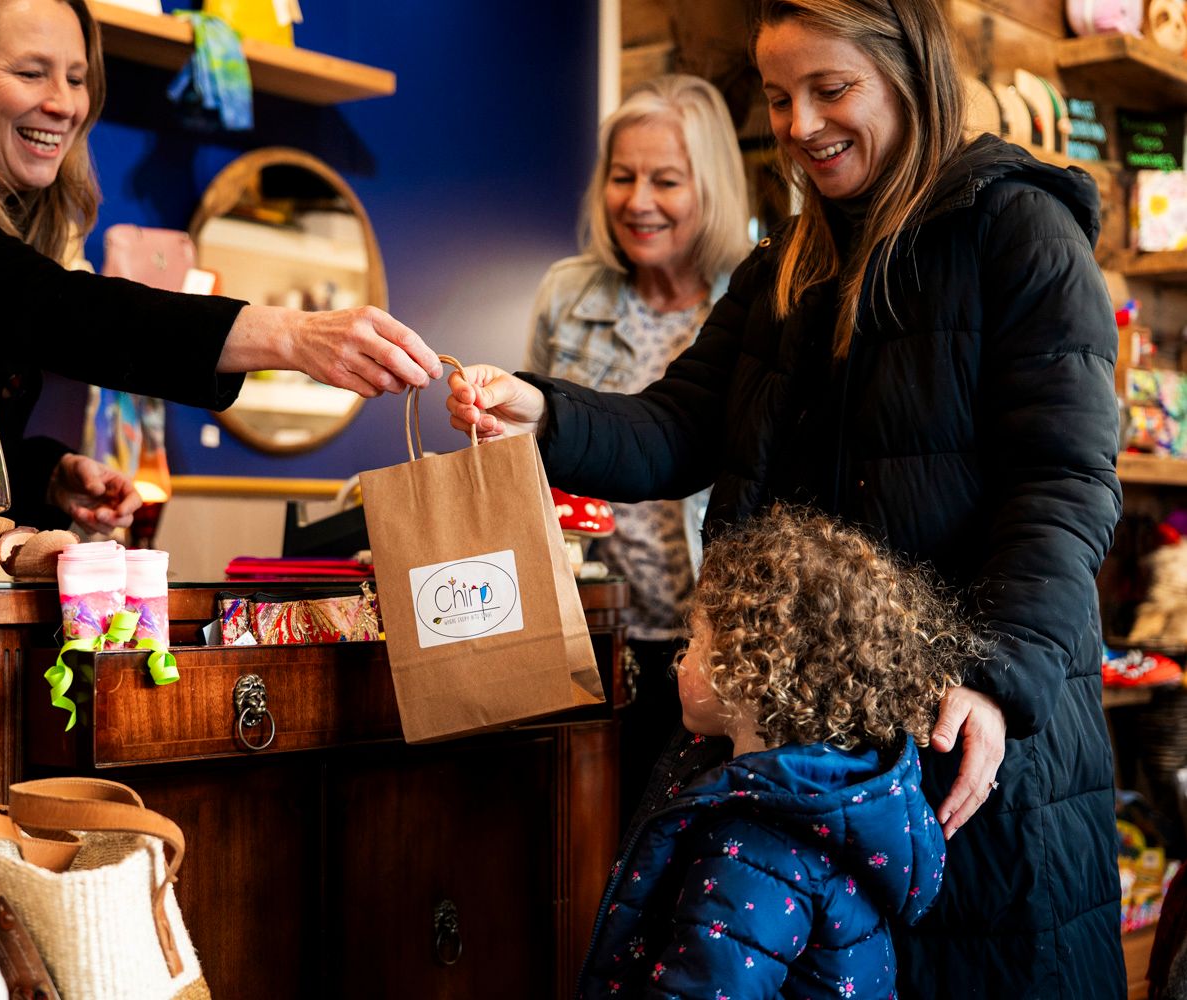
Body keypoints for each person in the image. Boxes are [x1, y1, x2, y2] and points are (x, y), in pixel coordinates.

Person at [447, 0, 1124, 994]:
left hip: (972, 733)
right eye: (777, 97)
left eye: (830, 89)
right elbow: (676, 425)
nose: (801, 125)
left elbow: (1065, 487)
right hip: (811, 743)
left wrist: (995, 677)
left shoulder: (1018, 233)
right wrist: (539, 412)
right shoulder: (785, 267)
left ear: (910, 73)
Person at [0, 0, 440, 529]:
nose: (64, 103)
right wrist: (291, 336)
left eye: (76, 77)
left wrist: (45, 475)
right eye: (30, 73)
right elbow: (43, 305)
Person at [579, 506, 979, 998]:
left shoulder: (752, 850)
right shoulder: (837, 799)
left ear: (752, 673)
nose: (679, 661)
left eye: (696, 641)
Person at [527, 74, 750, 820]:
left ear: (711, 186)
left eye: (666, 180)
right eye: (623, 177)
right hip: (587, 629)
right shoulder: (567, 293)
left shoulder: (757, 301)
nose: (638, 201)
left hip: (715, 646)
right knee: (581, 837)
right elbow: (532, 463)